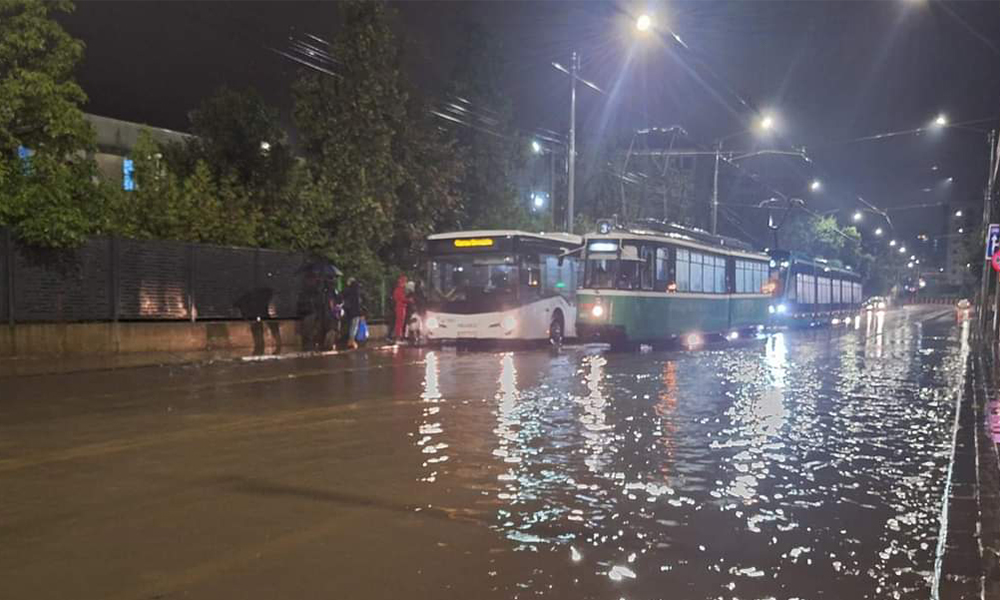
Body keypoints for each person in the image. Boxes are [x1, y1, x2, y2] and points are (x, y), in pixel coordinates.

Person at [343, 278, 363, 350]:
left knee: (351, 326)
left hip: (349, 311)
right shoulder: (356, 291)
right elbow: (358, 303)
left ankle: (351, 341)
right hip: (355, 312)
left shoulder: (347, 290)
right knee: (354, 327)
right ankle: (351, 341)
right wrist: (360, 313)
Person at [392, 274, 411, 342]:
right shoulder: (400, 290)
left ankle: (398, 337)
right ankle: (398, 338)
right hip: (401, 307)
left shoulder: (398, 289)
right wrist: (409, 300)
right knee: (400, 323)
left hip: (400, 306)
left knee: (400, 323)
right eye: (405, 281)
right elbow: (402, 298)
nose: (405, 283)